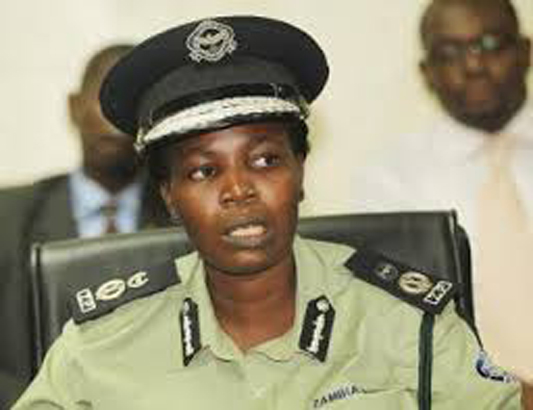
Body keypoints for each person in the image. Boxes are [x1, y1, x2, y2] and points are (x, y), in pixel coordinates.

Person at [12, 15, 529, 409]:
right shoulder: (100, 346)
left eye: (264, 160)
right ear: (168, 196)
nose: (238, 189)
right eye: (203, 171)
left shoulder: (410, 325)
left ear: (300, 171)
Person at [350, 0, 533, 386]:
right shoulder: (388, 181)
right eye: (449, 53)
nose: (474, 66)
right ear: (427, 73)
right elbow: (399, 326)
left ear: (525, 51)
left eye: (490, 44)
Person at [0, 44, 170, 408]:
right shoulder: (9, 217)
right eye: (102, 96)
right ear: (74, 106)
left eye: (129, 103)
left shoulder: (181, 218)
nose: (113, 118)